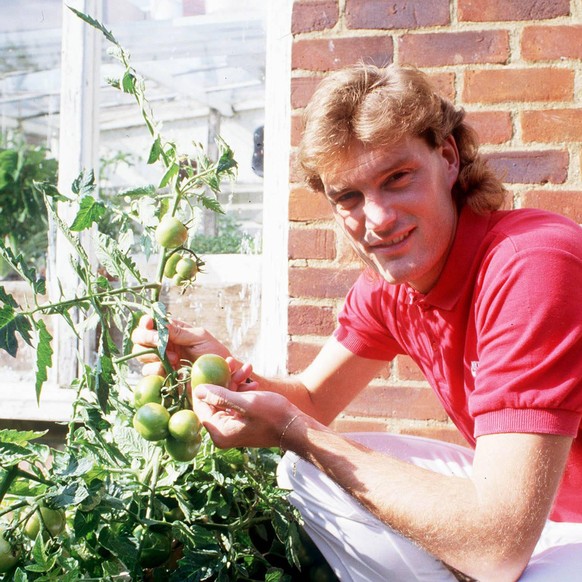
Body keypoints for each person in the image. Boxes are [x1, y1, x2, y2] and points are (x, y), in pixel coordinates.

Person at [132, 64, 582, 581]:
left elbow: (499, 545)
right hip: (531, 512)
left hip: (543, 524)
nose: (379, 219)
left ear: (449, 158)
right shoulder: (390, 288)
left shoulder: (531, 262)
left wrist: (291, 429)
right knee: (307, 471)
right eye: (348, 196)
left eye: (397, 178)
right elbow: (314, 401)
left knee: (491, 554)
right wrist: (217, 363)